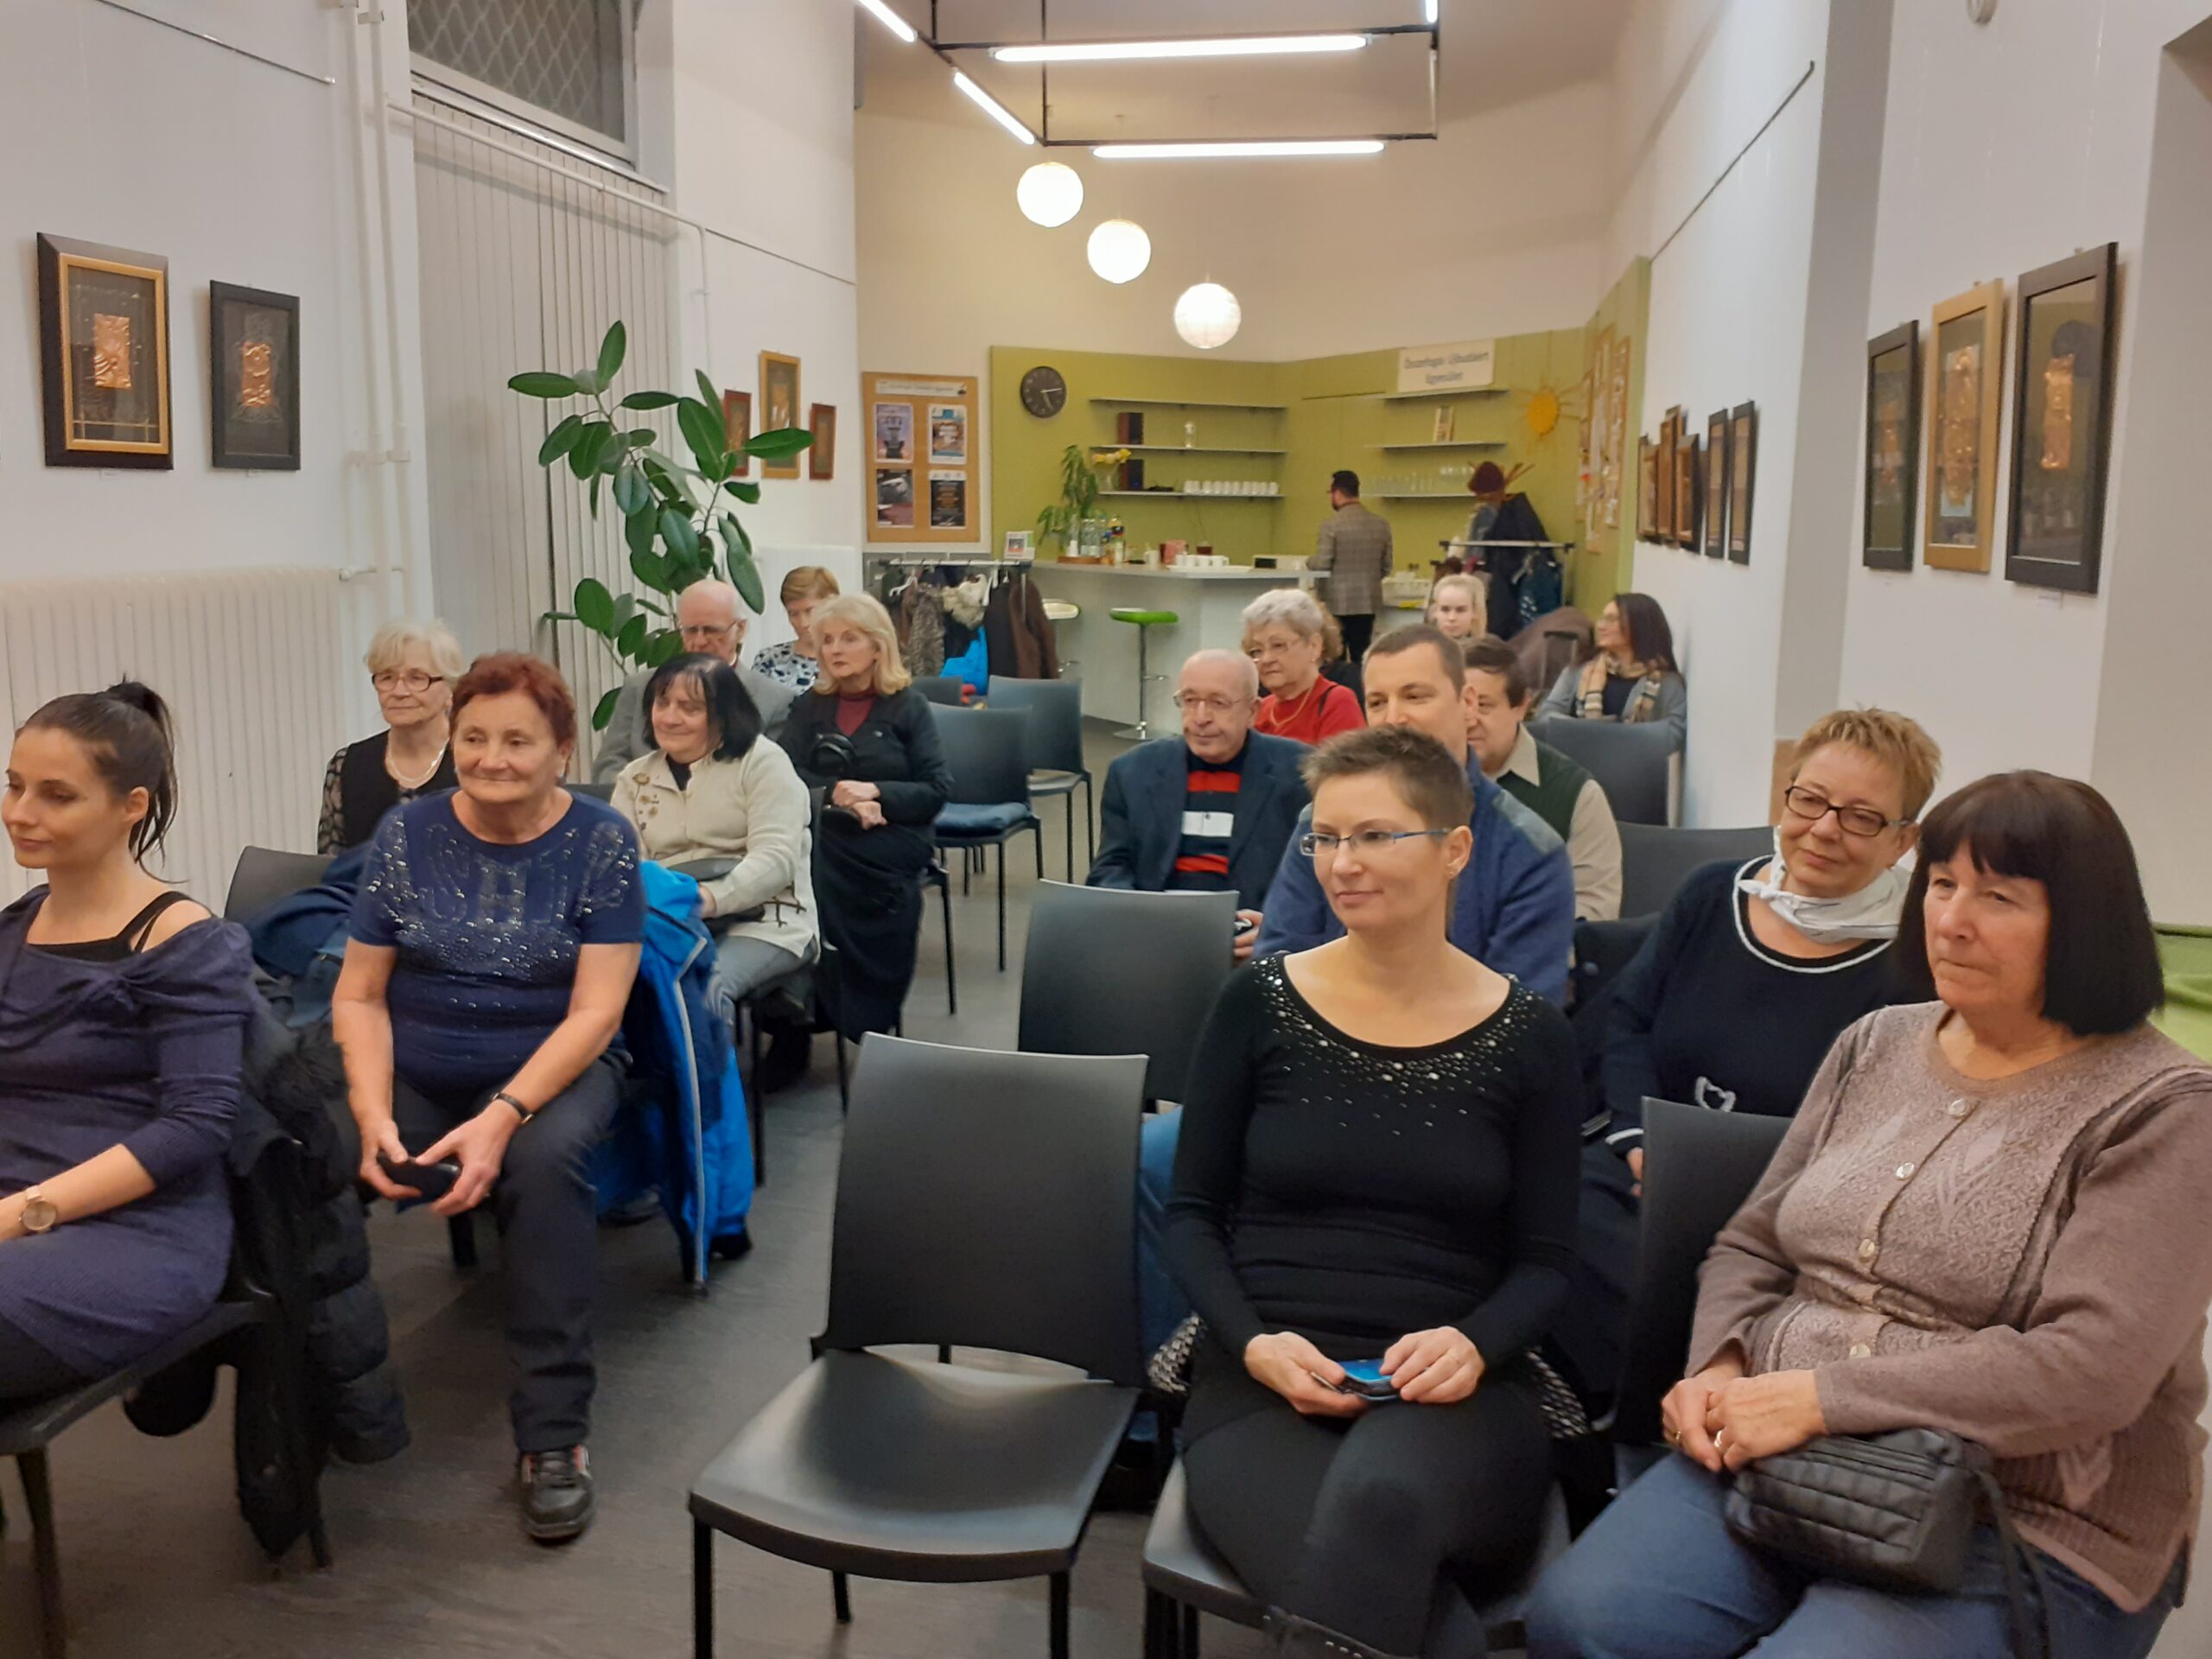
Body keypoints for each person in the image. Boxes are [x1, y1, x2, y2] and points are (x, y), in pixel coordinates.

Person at [1529, 770, 2212, 1659]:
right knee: (1582, 1620)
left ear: (2084, 924)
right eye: (1941, 884)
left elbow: (2090, 1370)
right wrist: (1721, 1363)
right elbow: (1755, 1242)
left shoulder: (2163, 1108)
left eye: (1998, 897)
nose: (1951, 920)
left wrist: (1822, 1400)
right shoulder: (1876, 1043)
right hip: (1786, 1454)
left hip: (2021, 1509)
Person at [1167, 725, 1582, 1659]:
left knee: (1380, 1506)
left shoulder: (1530, 1037)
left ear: (1455, 850)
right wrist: (1255, 1344)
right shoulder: (1257, 1002)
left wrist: (1474, 1344)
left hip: (1456, 1390)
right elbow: (1192, 1217)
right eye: (1324, 838)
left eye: (1375, 836)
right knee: (1383, 1579)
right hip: (1264, 1378)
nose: (1341, 863)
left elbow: (1546, 1265)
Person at [334, 653, 644, 1542]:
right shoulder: (407, 832)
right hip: (420, 1064)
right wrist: (371, 1115)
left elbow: (596, 1013)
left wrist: (503, 1116)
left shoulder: (601, 839)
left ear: (561, 751)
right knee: (305, 1148)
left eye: (517, 741)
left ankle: (553, 1436)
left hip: (552, 1067)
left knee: (544, 1169)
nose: (491, 758)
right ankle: (320, 1394)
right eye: (474, 737)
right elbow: (358, 994)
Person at [1557, 708, 1940, 1397]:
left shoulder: (1916, 966)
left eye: (1860, 818)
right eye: (1810, 800)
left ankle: (1687, 1415)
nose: (1824, 829)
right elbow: (1629, 1022)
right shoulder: (1711, 894)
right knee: (1559, 1219)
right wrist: (1640, 1144)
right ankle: (1616, 1424)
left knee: (1716, 1290)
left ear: (1902, 841)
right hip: (1647, 1166)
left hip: (1793, 1209)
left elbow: (1883, 1136)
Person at [0, 684, 253, 1403]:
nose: (20, 812)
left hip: (136, 1232)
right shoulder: (14, 931)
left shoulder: (182, 942)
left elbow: (196, 1125)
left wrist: (23, 1212)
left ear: (130, 806)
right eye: (14, 786)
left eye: (56, 795)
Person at [1254, 625, 1576, 1003]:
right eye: (1377, 702)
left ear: (1468, 703)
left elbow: (1521, 1015)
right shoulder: (1323, 824)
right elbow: (1277, 972)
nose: (1394, 718)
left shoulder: (1529, 850)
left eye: (1415, 697)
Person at [610, 652, 817, 1036]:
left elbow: (776, 860)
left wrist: (706, 900)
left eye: (689, 708)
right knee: (610, 989)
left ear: (724, 715)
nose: (670, 717)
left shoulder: (763, 763)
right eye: (662, 703)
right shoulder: (635, 777)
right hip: (667, 920)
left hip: (765, 921)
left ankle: (703, 1077)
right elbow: (625, 866)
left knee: (702, 991)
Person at [777, 594, 952, 1039]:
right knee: (802, 855)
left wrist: (877, 792)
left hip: (894, 836)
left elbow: (936, 790)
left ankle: (812, 997)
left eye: (849, 639)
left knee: (808, 860)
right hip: (827, 830)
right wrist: (838, 795)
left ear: (878, 646)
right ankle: (802, 998)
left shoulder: (908, 706)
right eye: (828, 640)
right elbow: (781, 773)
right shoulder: (809, 706)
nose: (835, 649)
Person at [1089, 649, 1308, 962]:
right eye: (1190, 700)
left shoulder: (1301, 772)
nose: (1201, 717)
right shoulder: (1132, 771)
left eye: (1218, 703)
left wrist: (1279, 927)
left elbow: (1314, 876)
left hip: (1252, 942)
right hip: (1155, 935)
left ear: (1252, 711)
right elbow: (1110, 868)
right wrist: (1138, 920)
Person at [1463, 636, 1621, 923]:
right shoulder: (1416, 783)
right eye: (1459, 706)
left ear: (1521, 707)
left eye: (1483, 706)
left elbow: (1593, 909)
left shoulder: (1576, 794)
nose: (1468, 720)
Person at [592, 579, 797, 784]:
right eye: (690, 630)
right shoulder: (640, 686)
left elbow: (774, 777)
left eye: (712, 630)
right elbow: (609, 765)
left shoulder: (775, 700)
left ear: (740, 629)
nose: (699, 641)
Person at [318, 619, 463, 854]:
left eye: (417, 678)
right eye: (387, 678)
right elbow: (331, 864)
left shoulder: (475, 763)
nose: (399, 691)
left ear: (450, 689)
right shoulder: (346, 765)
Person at [1538, 591, 1687, 751]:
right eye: (1602, 619)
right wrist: (1588, 732)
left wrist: (1617, 738)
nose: (1600, 626)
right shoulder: (1580, 669)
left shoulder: (1667, 682)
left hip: (1633, 764)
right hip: (1576, 760)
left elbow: (1673, 735)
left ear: (1638, 625)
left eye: (1611, 619)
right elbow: (1546, 714)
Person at [1244, 588, 1364, 747]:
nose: (1266, 659)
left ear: (1314, 646)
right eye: (1257, 650)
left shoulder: (1337, 703)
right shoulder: (1261, 709)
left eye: (1278, 646)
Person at [1310, 469, 1393, 663]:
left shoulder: (1331, 525)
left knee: (1334, 657)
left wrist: (1308, 561)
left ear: (1337, 492)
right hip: (1367, 602)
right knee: (1362, 656)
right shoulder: (1381, 524)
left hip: (1335, 602)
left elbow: (1322, 564)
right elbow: (1386, 566)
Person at [750, 564, 841, 695]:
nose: (803, 623)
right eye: (793, 614)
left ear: (832, 604)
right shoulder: (770, 660)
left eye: (810, 611)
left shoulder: (848, 658)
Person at [1426, 572, 1488, 642]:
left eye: (1460, 610)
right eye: (1445, 610)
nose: (1452, 618)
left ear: (1475, 611)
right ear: (1435, 611)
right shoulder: (1422, 646)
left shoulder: (1488, 647)